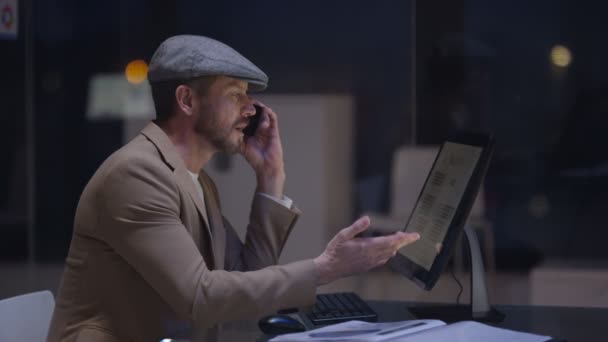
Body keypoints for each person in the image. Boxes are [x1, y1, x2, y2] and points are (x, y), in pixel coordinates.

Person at [46, 35, 420, 342]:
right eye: (235, 93)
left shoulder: (196, 181)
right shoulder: (136, 175)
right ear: (186, 100)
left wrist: (270, 179)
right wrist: (324, 269)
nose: (250, 109)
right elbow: (202, 298)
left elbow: (245, 277)